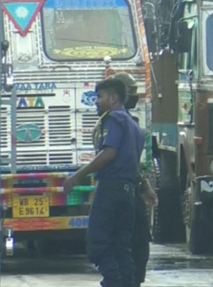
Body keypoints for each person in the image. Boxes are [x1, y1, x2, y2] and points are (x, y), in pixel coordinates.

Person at [63, 78, 141, 287]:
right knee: (121, 246)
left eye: (100, 96)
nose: (96, 101)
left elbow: (109, 153)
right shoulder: (133, 125)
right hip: (128, 193)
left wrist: (77, 176)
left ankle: (113, 282)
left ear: (113, 98)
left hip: (110, 190)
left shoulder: (114, 119)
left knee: (97, 244)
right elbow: (135, 162)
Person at [111, 72, 158, 287]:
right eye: (131, 92)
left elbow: (134, 162)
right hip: (120, 192)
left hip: (132, 190)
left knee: (139, 242)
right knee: (125, 243)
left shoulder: (128, 121)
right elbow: (116, 158)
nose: (135, 97)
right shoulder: (116, 122)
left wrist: (144, 185)